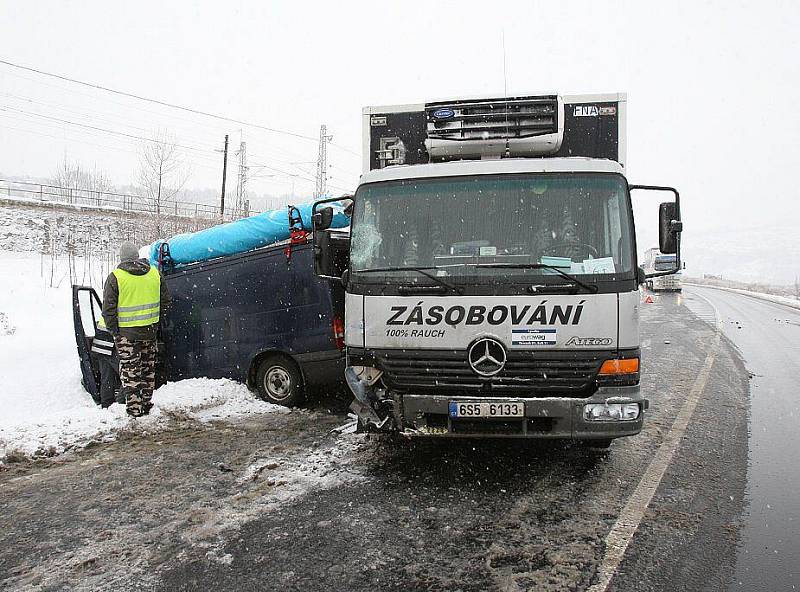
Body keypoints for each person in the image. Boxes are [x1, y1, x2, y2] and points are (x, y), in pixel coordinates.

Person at [101, 242, 170, 417]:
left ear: (122, 258)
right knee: (148, 370)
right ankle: (146, 405)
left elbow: (108, 310)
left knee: (132, 374)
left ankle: (134, 411)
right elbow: (166, 302)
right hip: (149, 332)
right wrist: (155, 323)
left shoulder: (116, 277)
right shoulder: (155, 273)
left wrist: (115, 331)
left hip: (126, 335)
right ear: (137, 256)